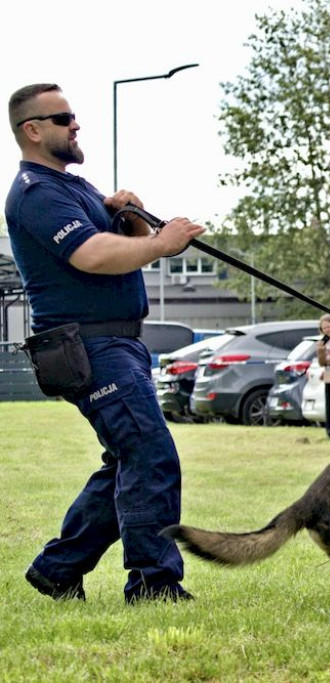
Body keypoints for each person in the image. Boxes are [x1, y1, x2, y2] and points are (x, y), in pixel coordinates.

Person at [6, 83, 203, 602]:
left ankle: (57, 569)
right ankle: (154, 583)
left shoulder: (77, 188)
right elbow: (90, 255)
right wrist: (164, 242)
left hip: (120, 345)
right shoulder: (36, 193)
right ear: (33, 130)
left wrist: (135, 217)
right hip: (90, 347)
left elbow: (129, 247)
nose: (76, 125)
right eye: (64, 117)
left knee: (127, 459)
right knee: (150, 455)